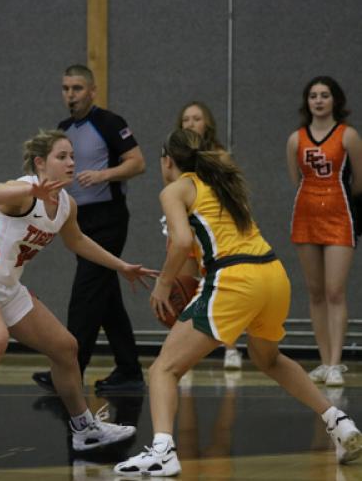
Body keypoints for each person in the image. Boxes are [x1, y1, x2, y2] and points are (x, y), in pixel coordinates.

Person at [114, 129, 362, 477]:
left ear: (167, 160)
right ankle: (338, 421)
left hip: (234, 278)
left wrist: (164, 285)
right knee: (268, 358)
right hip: (272, 275)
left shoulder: (174, 190)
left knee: (163, 370)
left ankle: (162, 451)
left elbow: (183, 241)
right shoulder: (224, 183)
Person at [0, 130, 154, 466]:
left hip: (8, 288)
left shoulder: (66, 205)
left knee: (66, 347)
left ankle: (85, 429)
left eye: (72, 156)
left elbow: (79, 242)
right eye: (62, 156)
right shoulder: (23, 193)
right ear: (41, 163)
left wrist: (122, 266)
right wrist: (30, 187)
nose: (71, 162)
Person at [33, 64, 146, 393]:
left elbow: (138, 163)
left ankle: (67, 371)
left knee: (85, 294)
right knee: (106, 297)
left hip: (108, 218)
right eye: (66, 88)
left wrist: (102, 176)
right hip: (79, 218)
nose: (70, 94)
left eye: (77, 88)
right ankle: (129, 370)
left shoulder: (110, 123)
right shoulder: (62, 129)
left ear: (92, 91)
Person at [287, 76, 362, 387]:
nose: (318, 100)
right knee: (316, 292)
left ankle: (335, 363)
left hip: (340, 214)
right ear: (307, 102)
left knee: (334, 291)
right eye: (313, 95)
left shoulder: (348, 136)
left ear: (335, 101)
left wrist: (333, 198)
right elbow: (296, 179)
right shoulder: (295, 139)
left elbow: (359, 181)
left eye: (325, 95)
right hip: (305, 215)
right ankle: (322, 359)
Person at [174, 100, 242, 370]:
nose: (191, 123)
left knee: (221, 287)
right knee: (188, 288)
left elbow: (233, 196)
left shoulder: (219, 156)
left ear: (208, 124)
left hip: (215, 232)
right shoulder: (174, 158)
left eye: (196, 118)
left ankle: (231, 347)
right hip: (186, 229)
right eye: (186, 119)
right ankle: (184, 352)